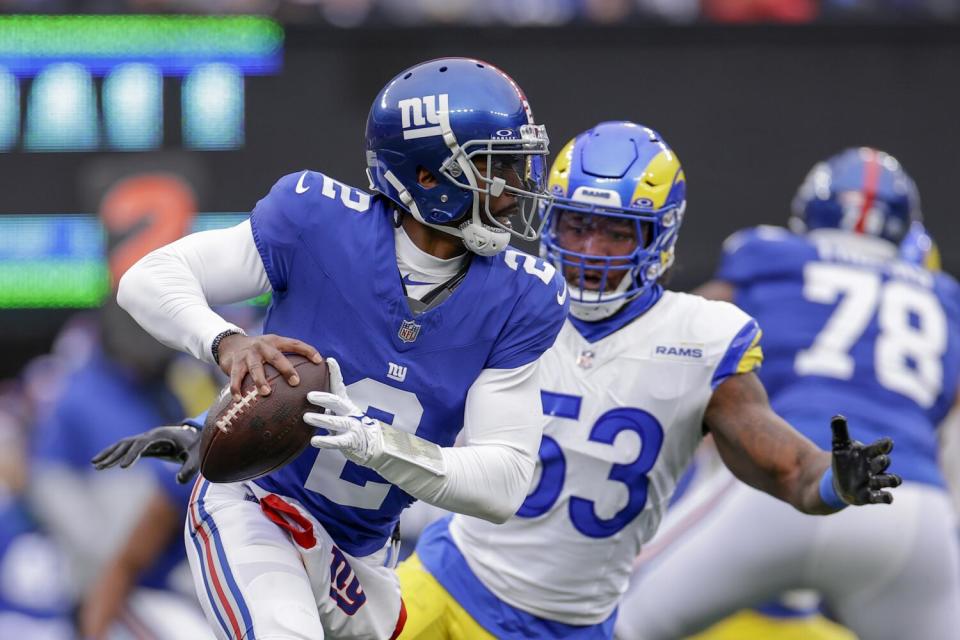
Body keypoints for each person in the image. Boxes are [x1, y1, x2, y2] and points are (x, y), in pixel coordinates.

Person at [92, 57, 566, 640]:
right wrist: (226, 341)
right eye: (498, 166)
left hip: (362, 555)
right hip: (258, 504)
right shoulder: (318, 221)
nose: (518, 183)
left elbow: (505, 482)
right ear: (428, 176)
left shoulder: (523, 294)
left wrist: (378, 445)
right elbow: (146, 278)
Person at [394, 122, 900, 640]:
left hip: (575, 626)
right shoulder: (509, 295)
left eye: (615, 232)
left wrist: (832, 482)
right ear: (550, 220)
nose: (590, 249)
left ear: (660, 236)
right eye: (576, 224)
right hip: (449, 580)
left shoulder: (700, 339)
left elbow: (788, 470)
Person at [616, 147, 960, 640]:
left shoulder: (770, 254)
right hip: (908, 500)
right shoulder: (941, 295)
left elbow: (680, 335)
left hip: (784, 484)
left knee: (616, 618)